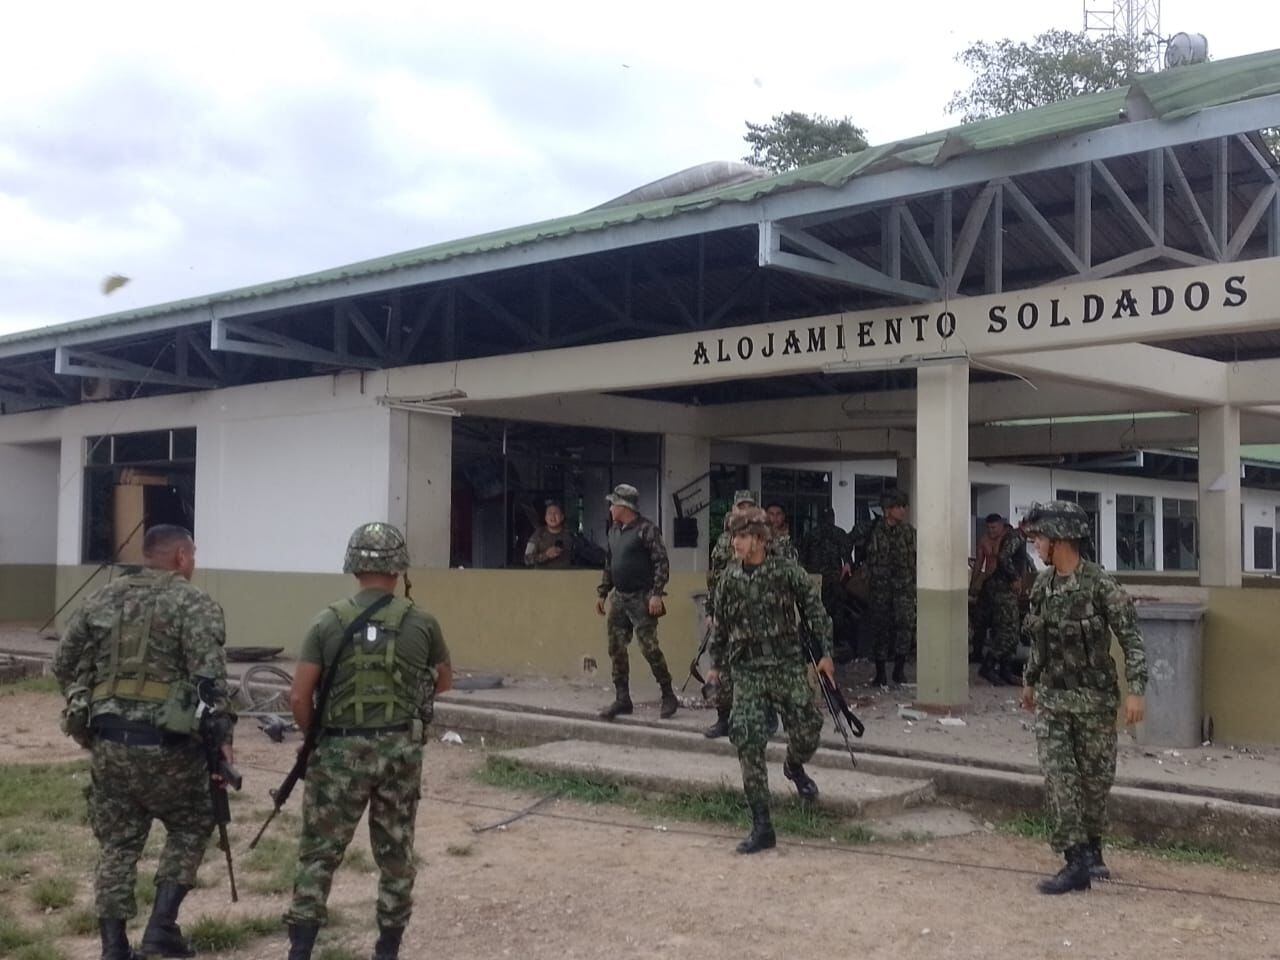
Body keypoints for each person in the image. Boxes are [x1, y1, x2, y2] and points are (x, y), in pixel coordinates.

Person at [53, 524, 235, 960]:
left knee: (117, 844)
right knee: (192, 823)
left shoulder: (101, 597)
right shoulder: (194, 603)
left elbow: (63, 664)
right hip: (170, 747)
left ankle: (113, 948)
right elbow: (210, 686)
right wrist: (223, 744)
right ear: (181, 558)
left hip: (110, 742)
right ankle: (161, 928)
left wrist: (86, 700)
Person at [284, 522, 452, 960]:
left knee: (319, 854)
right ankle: (387, 950)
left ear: (353, 566)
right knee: (396, 853)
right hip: (399, 750)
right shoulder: (422, 623)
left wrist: (316, 740)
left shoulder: (326, 621)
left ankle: (300, 951)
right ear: (398, 569)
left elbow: (299, 696)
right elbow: (445, 681)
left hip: (338, 750)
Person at [1020, 501, 1147, 895]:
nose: (1036, 545)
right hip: (1054, 701)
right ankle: (1074, 861)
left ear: (1060, 539)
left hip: (1094, 701)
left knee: (1095, 781)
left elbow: (1132, 641)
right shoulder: (1042, 586)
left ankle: (1092, 851)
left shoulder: (1100, 585)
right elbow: (1038, 641)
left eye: (1040, 538)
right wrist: (1029, 681)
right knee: (1060, 778)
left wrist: (1136, 691)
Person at [707, 507, 835, 854]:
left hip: (786, 664)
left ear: (760, 540)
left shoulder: (786, 571)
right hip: (747, 669)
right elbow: (720, 625)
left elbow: (815, 612)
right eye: (734, 536)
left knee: (808, 730)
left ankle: (794, 767)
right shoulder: (729, 579)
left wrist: (825, 654)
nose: (736, 542)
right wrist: (716, 665)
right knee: (747, 740)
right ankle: (762, 826)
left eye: (743, 536)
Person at [595, 483, 677, 720]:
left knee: (649, 648)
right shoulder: (614, 531)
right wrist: (602, 593)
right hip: (619, 597)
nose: (610, 508)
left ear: (623, 506)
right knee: (616, 648)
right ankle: (622, 699)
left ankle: (668, 694)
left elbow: (661, 562)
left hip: (642, 598)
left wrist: (657, 593)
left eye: (613, 504)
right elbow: (610, 564)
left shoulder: (647, 530)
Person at [704, 491, 781, 739]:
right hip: (730, 616)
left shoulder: (767, 540)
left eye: (749, 506)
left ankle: (767, 717)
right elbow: (714, 579)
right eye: (740, 507)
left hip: (761, 617)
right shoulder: (723, 543)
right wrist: (711, 611)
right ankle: (723, 718)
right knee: (724, 669)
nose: (744, 511)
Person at [850, 490, 917, 687]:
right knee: (881, 628)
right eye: (899, 507)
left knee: (905, 626)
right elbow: (846, 540)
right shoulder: (870, 529)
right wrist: (847, 563)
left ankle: (899, 670)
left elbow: (916, 557)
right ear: (887, 510)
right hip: (880, 588)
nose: (903, 510)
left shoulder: (908, 532)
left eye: (904, 506)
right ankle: (880, 673)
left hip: (903, 587)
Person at [976, 514, 1027, 686]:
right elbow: (1003, 557)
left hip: (1003, 590)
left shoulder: (1014, 537)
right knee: (1008, 632)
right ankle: (988, 666)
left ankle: (1005, 670)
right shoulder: (1016, 537)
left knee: (1009, 630)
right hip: (1002, 590)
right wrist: (1014, 578)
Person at [523, 501, 573, 569]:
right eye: (549, 513)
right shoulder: (538, 534)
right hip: (542, 577)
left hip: (566, 577)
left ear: (562, 517)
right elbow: (527, 559)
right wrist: (546, 555)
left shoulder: (569, 535)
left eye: (556, 513)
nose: (552, 516)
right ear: (545, 517)